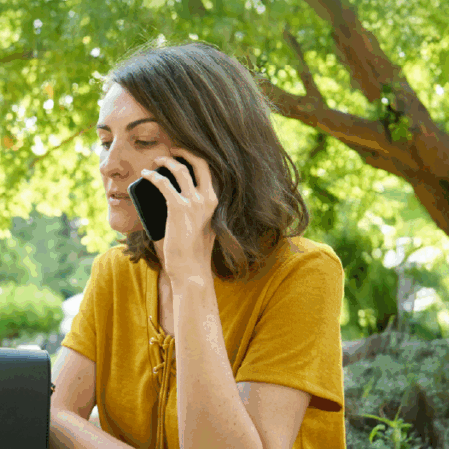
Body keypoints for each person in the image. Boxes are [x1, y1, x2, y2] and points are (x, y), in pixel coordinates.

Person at [49, 40, 345, 449]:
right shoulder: (115, 272)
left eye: (144, 140)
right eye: (105, 141)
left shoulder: (304, 273)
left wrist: (190, 276)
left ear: (212, 155)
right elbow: (51, 412)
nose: (109, 165)